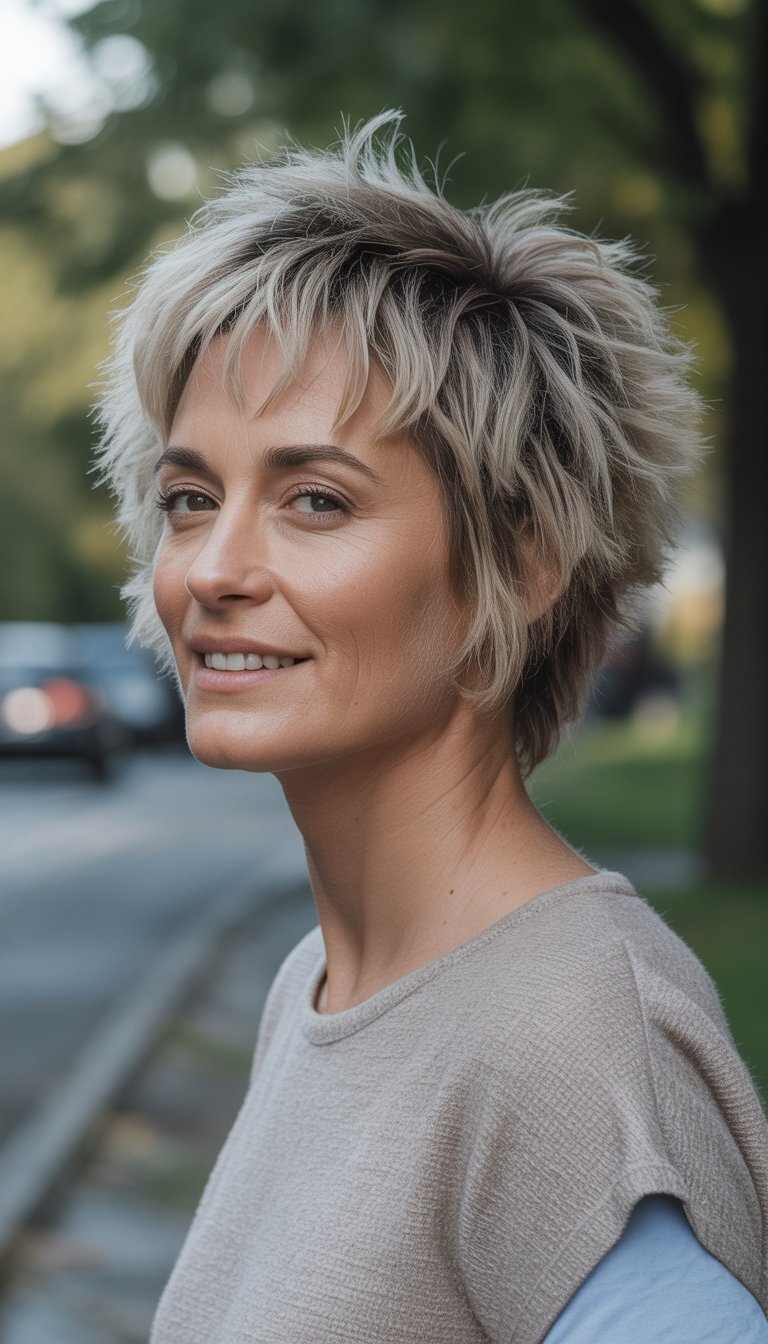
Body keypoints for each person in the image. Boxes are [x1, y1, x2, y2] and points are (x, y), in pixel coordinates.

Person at [95, 112, 768, 1342]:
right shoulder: (319, 985)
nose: (214, 568)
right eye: (191, 498)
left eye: (315, 500)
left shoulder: (571, 1046)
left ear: (522, 563)